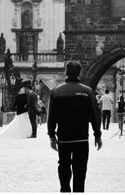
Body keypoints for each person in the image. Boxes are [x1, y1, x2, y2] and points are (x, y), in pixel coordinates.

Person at [48, 60, 102, 193]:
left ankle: (65, 189)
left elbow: (51, 117)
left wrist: (52, 136)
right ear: (79, 73)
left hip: (64, 138)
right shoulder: (88, 91)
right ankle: (78, 191)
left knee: (64, 165)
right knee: (80, 167)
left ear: (65, 72)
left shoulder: (55, 92)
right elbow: (94, 116)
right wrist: (97, 135)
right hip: (81, 137)